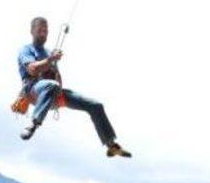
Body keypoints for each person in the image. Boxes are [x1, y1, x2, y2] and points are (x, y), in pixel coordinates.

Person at [17, 16, 131, 157]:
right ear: (32, 31)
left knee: (95, 106)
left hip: (53, 92)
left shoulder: (48, 52)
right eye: (40, 30)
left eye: (45, 31)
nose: (43, 33)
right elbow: (32, 69)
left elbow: (57, 78)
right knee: (50, 85)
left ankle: (111, 145)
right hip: (34, 91)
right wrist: (50, 60)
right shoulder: (26, 50)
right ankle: (33, 124)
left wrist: (54, 69)